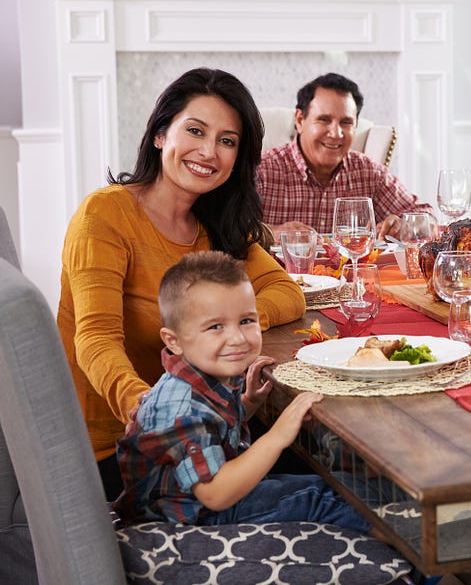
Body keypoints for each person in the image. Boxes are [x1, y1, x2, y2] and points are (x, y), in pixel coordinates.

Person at [57, 68, 306, 501]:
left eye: (227, 141)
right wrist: (151, 411)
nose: (209, 152)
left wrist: (231, 322)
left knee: (338, 468)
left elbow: (288, 293)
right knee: (329, 487)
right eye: (195, 130)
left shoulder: (217, 224)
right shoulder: (105, 215)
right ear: (159, 134)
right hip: (121, 452)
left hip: (203, 428)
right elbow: (95, 339)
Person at [114, 251, 369, 534]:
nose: (236, 338)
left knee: (343, 485)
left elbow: (211, 432)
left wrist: (249, 403)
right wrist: (277, 436)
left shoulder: (206, 374)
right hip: (189, 522)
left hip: (205, 501)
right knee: (326, 499)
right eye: (215, 326)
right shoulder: (181, 405)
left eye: (247, 321)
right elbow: (215, 493)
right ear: (173, 341)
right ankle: (398, 563)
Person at [256, 72, 434, 240]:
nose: (336, 133)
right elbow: (231, 227)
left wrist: (405, 226)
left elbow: (429, 218)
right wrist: (273, 232)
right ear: (300, 120)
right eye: (324, 120)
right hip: (281, 273)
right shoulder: (262, 171)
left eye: (346, 122)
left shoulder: (368, 173)